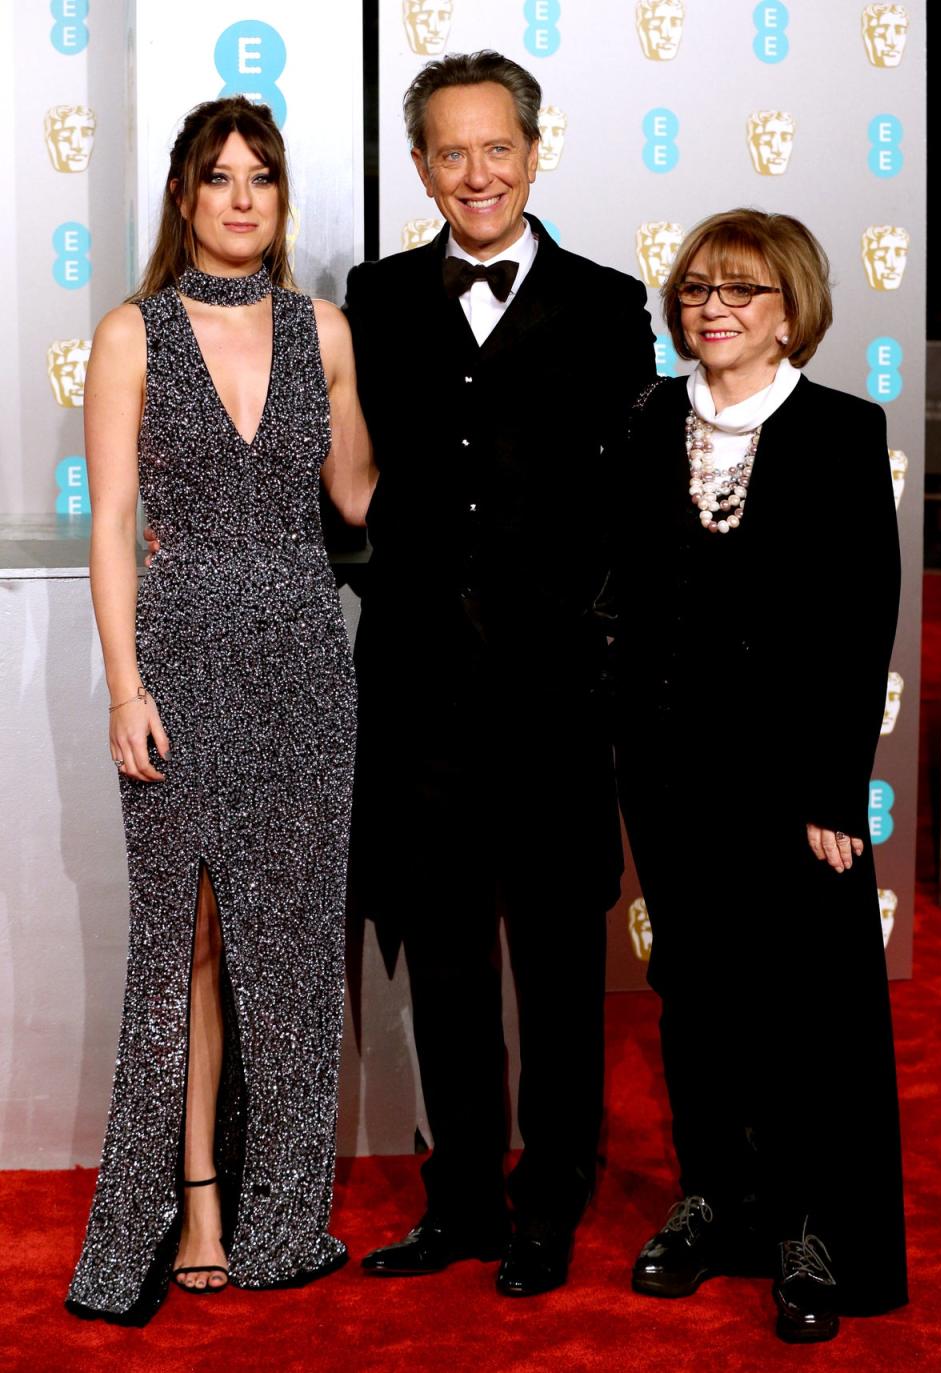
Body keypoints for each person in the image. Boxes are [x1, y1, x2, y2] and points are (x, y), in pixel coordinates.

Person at [345, 50, 656, 1297]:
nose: (475, 172)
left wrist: (594, 637)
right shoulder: (371, 296)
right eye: (449, 151)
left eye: (496, 148)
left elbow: (637, 498)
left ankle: (553, 1194)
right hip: (416, 693)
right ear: (420, 164)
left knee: (558, 966)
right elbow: (343, 456)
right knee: (449, 961)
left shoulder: (610, 299)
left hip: (555, 700)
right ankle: (463, 1196)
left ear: (534, 152)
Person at [66, 96, 374, 1325]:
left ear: (280, 197)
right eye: (217, 178)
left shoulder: (327, 330)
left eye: (261, 177)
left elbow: (354, 498)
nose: (241, 197)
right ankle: (193, 1194)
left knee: (295, 949)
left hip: (307, 664)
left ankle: (284, 1210)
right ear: (184, 198)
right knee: (183, 943)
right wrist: (125, 687)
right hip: (181, 667)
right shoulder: (132, 333)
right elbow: (111, 526)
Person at [614, 209, 907, 1343]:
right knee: (697, 993)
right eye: (695, 290)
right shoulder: (645, 422)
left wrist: (837, 790)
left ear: (792, 311)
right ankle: (716, 1200)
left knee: (807, 1009)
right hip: (671, 771)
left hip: (796, 789)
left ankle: (809, 1228)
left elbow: (860, 619)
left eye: (741, 291)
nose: (713, 309)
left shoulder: (839, 429)